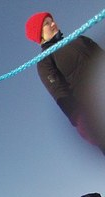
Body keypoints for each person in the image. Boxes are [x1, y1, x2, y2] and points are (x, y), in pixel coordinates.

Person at [25, 12, 105, 154]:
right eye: (47, 23)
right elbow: (58, 90)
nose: (53, 24)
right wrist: (78, 117)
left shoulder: (79, 39)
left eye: (52, 20)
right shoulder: (45, 61)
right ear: (39, 34)